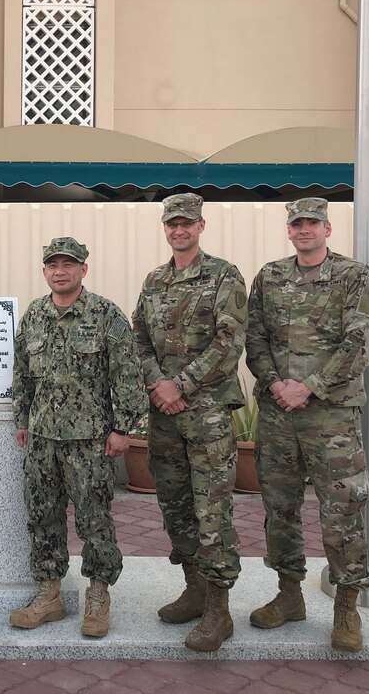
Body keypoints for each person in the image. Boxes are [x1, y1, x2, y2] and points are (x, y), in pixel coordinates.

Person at [245, 197, 369, 653]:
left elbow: (360, 340)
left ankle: (346, 607)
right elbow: (254, 336)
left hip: (331, 417)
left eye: (312, 223)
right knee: (279, 510)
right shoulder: (269, 276)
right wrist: (275, 382)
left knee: (342, 510)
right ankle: (289, 596)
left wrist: (311, 387)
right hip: (279, 415)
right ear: (289, 230)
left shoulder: (353, 276)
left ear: (327, 228)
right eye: (297, 223)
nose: (304, 229)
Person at [9, 237, 147, 639]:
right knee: (42, 517)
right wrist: (22, 418)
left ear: (83, 270)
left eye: (68, 264)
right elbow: (21, 373)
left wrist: (124, 429)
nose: (60, 271)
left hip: (90, 439)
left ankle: (99, 596)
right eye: (53, 264)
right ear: (45, 271)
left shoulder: (105, 315)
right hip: (42, 439)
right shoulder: (34, 315)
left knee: (94, 519)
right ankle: (49, 594)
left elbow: (127, 375)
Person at [131, 194, 246, 652]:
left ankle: (220, 609)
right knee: (175, 505)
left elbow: (230, 340)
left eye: (187, 223)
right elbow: (137, 339)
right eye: (172, 223)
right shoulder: (154, 280)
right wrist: (159, 383)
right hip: (164, 416)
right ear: (165, 228)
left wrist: (182, 386)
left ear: (202, 225)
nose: (179, 230)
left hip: (208, 414)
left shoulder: (224, 275)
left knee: (212, 510)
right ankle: (194, 590)